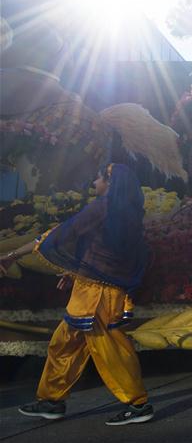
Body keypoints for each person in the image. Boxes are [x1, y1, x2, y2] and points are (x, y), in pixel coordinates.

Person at [0, 164, 154, 425]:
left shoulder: (103, 207)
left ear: (110, 183)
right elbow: (106, 254)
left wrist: (12, 255)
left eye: (98, 178)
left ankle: (138, 404)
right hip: (91, 290)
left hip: (98, 297)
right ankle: (51, 400)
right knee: (64, 343)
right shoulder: (126, 213)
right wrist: (75, 273)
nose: (94, 183)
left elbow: (60, 234)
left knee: (110, 349)